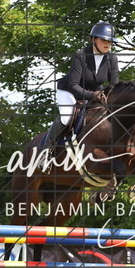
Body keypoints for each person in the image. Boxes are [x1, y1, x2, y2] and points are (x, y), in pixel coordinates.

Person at [37, 21, 119, 170]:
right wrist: (91, 95)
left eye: (110, 41)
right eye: (104, 40)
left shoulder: (112, 58)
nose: (107, 44)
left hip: (94, 93)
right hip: (69, 91)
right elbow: (73, 84)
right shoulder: (81, 55)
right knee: (67, 116)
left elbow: (114, 85)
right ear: (93, 39)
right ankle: (45, 151)